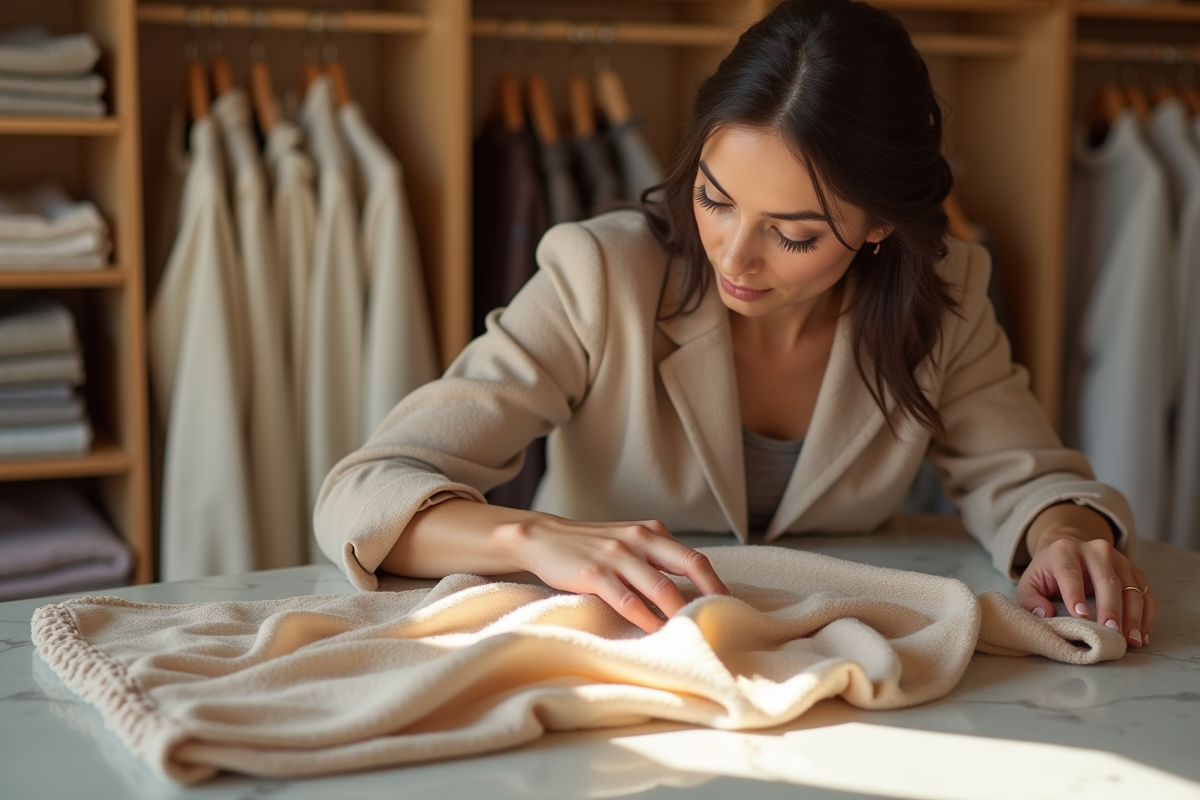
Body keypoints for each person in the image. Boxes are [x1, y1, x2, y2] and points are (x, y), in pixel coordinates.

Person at [316, 0, 1155, 646]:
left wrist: (1067, 535)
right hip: (615, 661)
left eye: (794, 234)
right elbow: (366, 492)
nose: (735, 257)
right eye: (714, 199)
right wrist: (534, 537)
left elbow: (1028, 477)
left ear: (879, 227)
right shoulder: (600, 275)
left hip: (833, 659)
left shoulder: (947, 295)